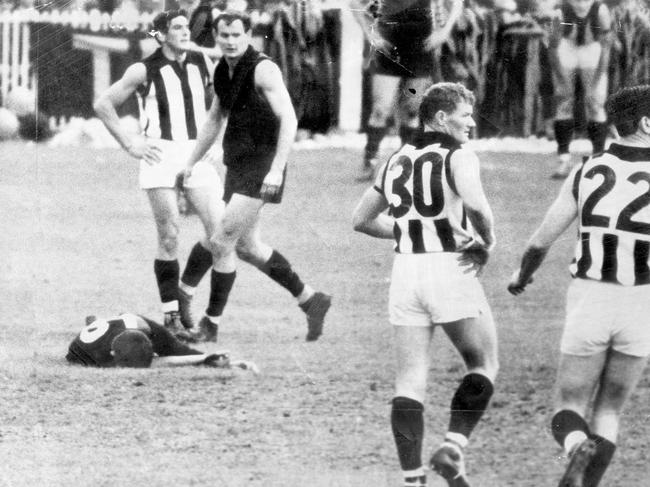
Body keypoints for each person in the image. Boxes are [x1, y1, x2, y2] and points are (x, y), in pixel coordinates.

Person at [352, 82, 498, 487]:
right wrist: (487, 242)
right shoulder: (459, 155)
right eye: (465, 115)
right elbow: (476, 205)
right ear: (440, 118)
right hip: (449, 268)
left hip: (406, 273)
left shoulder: (397, 158)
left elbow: (360, 219)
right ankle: (453, 446)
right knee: (484, 363)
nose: (471, 123)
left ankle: (413, 479)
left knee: (410, 380)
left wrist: (404, 232)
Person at [508, 85, 650, 486]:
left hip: (591, 298)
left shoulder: (587, 169)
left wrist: (521, 276)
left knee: (567, 406)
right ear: (645, 123)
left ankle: (573, 446)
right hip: (642, 303)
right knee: (609, 411)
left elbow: (540, 241)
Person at [182, 10, 331, 343]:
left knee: (220, 241)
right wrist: (190, 161)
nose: (231, 42)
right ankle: (311, 300)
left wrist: (277, 169)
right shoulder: (222, 69)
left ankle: (208, 322)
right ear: (216, 37)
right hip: (238, 164)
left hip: (264, 167)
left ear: (248, 35)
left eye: (237, 35)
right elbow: (213, 119)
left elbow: (289, 120)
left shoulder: (263, 69)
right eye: (225, 36)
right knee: (248, 248)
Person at [94, 10, 223, 340]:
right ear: (161, 34)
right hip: (159, 153)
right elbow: (104, 104)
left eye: (185, 27)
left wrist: (216, 143)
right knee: (169, 235)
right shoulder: (144, 69)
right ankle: (171, 318)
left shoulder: (201, 63)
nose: (184, 32)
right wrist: (129, 143)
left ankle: (185, 291)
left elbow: (219, 106)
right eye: (176, 28)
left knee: (221, 231)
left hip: (196, 152)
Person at [350, 0, 464, 181]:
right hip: (388, 46)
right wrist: (370, 34)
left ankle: (405, 164)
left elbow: (457, 3)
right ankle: (369, 161)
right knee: (381, 108)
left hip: (421, 47)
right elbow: (355, 3)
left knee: (411, 110)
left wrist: (444, 31)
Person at [548, 0, 613, 179]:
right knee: (563, 101)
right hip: (567, 48)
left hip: (592, 49)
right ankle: (563, 160)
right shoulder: (560, 10)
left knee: (596, 103)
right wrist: (561, 77)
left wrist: (597, 79)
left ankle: (599, 159)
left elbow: (606, 46)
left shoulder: (600, 10)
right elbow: (553, 47)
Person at [66, 312, 232, 368]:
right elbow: (162, 362)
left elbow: (171, 356)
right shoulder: (86, 356)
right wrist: (202, 360)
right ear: (112, 353)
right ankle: (95, 319)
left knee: (180, 349)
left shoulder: (92, 356)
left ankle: (95, 319)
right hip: (120, 326)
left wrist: (206, 357)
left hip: (141, 325)